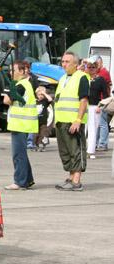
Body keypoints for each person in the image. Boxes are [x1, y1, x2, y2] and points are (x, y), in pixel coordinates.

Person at [54, 52, 88, 191]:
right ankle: (70, 176)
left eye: (67, 61)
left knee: (75, 151)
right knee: (65, 152)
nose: (64, 64)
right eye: (63, 61)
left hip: (73, 121)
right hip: (61, 120)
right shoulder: (63, 78)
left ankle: (76, 180)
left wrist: (78, 120)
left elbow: (83, 100)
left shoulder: (82, 77)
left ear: (75, 64)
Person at [3, 61, 37, 190]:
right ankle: (27, 179)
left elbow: (6, 100)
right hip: (23, 124)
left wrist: (8, 89)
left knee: (18, 154)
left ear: (22, 71)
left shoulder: (21, 85)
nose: (11, 73)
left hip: (20, 124)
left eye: (14, 70)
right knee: (21, 153)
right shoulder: (24, 84)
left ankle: (20, 181)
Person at [86, 61, 108, 160]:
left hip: (94, 107)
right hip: (84, 106)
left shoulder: (101, 80)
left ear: (97, 68)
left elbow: (106, 95)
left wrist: (101, 106)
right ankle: (83, 150)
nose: (91, 69)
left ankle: (91, 151)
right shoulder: (84, 78)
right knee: (83, 129)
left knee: (92, 130)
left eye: (93, 67)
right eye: (89, 67)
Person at [91, 55, 111, 152]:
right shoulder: (99, 72)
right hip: (98, 102)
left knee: (102, 123)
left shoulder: (103, 73)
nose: (95, 66)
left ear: (101, 63)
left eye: (96, 63)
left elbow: (105, 89)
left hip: (102, 101)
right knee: (98, 124)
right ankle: (97, 143)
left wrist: (102, 103)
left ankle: (103, 143)